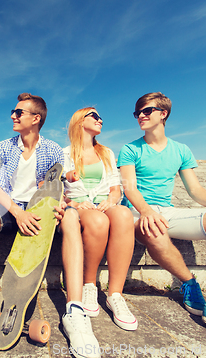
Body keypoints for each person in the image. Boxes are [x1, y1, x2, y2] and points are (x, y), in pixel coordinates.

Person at [0, 93, 99, 358]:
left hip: (40, 210)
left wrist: (57, 203)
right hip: (9, 208)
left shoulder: (54, 149)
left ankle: (75, 312)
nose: (13, 115)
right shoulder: (3, 147)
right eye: (14, 111)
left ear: (36, 118)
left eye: (18, 112)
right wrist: (16, 213)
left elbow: (54, 186)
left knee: (70, 217)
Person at [117, 92, 206, 345]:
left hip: (167, 210)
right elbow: (129, 188)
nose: (141, 115)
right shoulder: (130, 149)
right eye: (137, 112)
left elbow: (195, 191)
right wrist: (147, 212)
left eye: (147, 110)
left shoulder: (181, 150)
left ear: (163, 114)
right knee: (154, 228)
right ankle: (189, 283)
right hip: (135, 212)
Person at [62, 107, 137, 331]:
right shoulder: (64, 153)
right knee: (97, 221)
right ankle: (89, 285)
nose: (100, 119)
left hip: (105, 202)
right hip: (80, 205)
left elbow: (116, 186)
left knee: (124, 214)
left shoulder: (106, 152)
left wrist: (113, 199)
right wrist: (72, 203)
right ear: (79, 121)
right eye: (94, 115)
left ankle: (115, 295)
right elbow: (57, 187)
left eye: (100, 116)